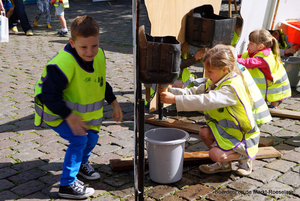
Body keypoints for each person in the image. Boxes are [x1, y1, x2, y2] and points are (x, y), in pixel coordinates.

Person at [34, 15, 123, 199]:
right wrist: (69, 116)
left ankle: (81, 164)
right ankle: (67, 185)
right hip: (55, 110)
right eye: (84, 47)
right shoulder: (62, 64)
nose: (90, 52)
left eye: (94, 46)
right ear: (72, 43)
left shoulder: (98, 56)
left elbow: (101, 81)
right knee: (79, 140)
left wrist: (113, 101)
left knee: (91, 138)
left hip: (73, 112)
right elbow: (48, 96)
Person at [159, 44, 260, 176]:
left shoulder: (231, 88)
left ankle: (244, 158)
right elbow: (194, 92)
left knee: (214, 154)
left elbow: (207, 101)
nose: (207, 74)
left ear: (224, 69)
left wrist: (174, 100)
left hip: (243, 136)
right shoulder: (216, 80)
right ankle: (224, 165)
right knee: (204, 133)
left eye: (210, 71)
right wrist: (172, 91)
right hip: (228, 131)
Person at [237, 29, 291, 109]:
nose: (248, 45)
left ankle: (275, 104)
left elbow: (248, 63)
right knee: (267, 95)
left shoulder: (263, 58)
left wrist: (232, 59)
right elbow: (242, 56)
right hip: (270, 81)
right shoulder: (254, 52)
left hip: (277, 84)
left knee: (275, 98)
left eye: (251, 43)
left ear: (260, 46)